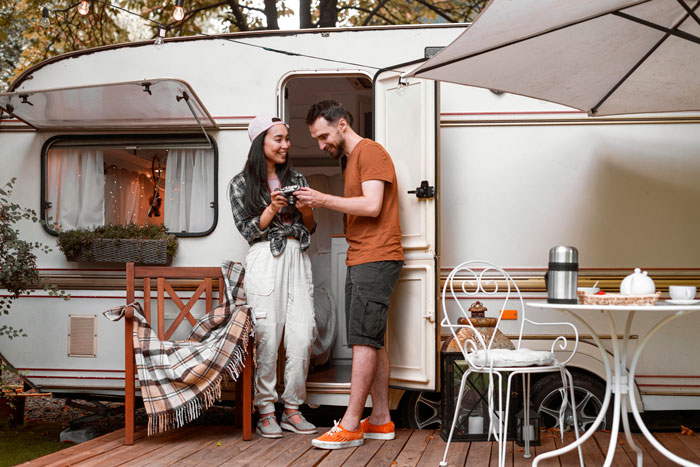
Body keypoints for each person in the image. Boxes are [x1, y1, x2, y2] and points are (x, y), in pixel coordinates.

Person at [294, 100, 404, 449]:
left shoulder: (370, 153)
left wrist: (322, 200)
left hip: (376, 256)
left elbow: (372, 206)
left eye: (323, 136)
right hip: (362, 257)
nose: (321, 144)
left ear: (342, 124)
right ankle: (382, 419)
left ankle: (352, 423)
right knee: (371, 339)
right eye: (316, 139)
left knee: (361, 339)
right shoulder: (351, 160)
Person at [228, 114, 318, 439]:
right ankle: (266, 410)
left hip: (297, 255)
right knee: (266, 336)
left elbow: (309, 226)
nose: (286, 145)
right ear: (260, 143)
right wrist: (272, 208)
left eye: (286, 139)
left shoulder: (298, 177)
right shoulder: (240, 184)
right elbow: (248, 230)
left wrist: (306, 205)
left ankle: (292, 409)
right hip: (265, 258)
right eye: (278, 139)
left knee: (303, 333)